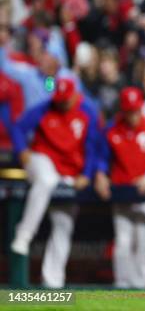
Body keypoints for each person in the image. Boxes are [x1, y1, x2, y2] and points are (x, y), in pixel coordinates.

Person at [10, 78, 99, 288]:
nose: (61, 103)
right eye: (59, 99)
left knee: (64, 224)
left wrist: (87, 173)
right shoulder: (46, 107)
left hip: (69, 171)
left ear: (75, 95)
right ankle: (24, 234)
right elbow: (17, 128)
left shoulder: (87, 112)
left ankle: (53, 283)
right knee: (46, 179)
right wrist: (22, 149)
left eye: (65, 99)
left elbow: (93, 146)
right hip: (42, 160)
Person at [94, 87, 145, 288]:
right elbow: (102, 157)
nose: (133, 115)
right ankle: (123, 286)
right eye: (128, 111)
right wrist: (101, 174)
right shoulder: (112, 127)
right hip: (122, 192)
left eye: (135, 110)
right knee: (123, 242)